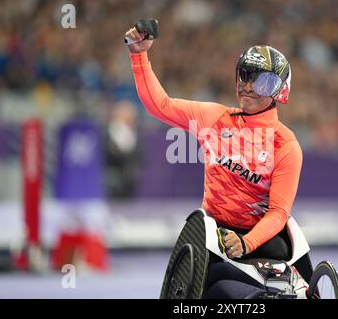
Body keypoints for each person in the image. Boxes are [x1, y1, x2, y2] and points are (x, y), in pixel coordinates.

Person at [125, 24, 313, 298]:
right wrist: (138, 55)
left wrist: (246, 244)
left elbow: (278, 213)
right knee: (215, 285)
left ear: (280, 91)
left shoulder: (286, 145)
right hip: (215, 236)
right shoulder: (214, 118)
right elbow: (160, 105)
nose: (248, 87)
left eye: (261, 81)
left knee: (223, 284)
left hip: (261, 240)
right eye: (245, 77)